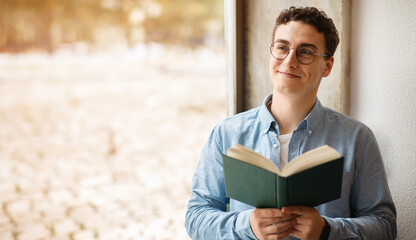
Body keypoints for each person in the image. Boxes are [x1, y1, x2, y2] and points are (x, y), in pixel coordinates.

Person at [185, 6, 397, 240]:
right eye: (282, 48)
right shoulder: (226, 134)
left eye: (305, 52)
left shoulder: (357, 138)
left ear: (327, 66)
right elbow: (196, 217)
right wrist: (248, 225)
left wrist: (327, 230)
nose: (289, 61)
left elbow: (385, 226)